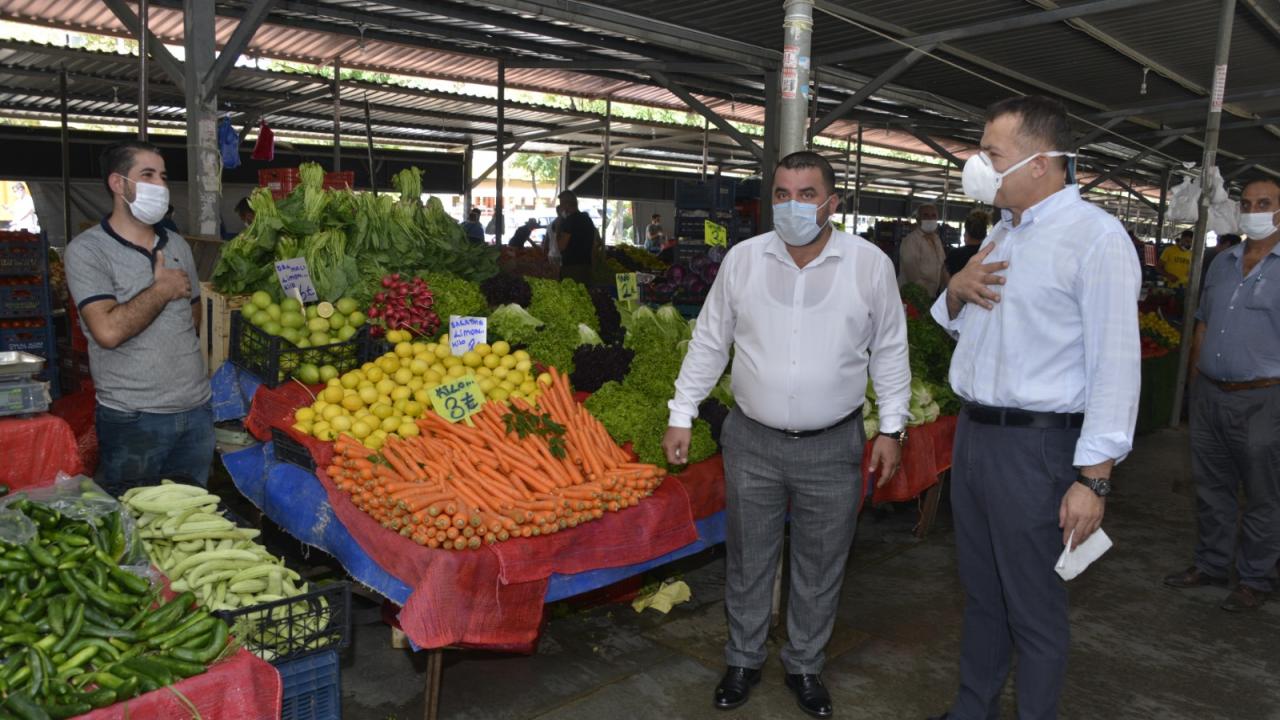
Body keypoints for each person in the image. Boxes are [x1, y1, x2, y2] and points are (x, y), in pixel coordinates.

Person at [662, 151, 910, 719]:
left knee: (822, 563)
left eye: (805, 194)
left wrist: (892, 427)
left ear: (832, 203)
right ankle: (743, 659)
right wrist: (682, 410)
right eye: (780, 194)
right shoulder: (743, 261)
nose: (791, 205)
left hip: (833, 443)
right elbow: (709, 341)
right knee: (749, 557)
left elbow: (890, 350)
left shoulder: (869, 265)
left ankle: (804, 664)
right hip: (751, 441)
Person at [926, 96, 1140, 720]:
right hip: (977, 436)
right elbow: (964, 327)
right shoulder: (1003, 231)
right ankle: (973, 707)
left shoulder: (1094, 240)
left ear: (1043, 164)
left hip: (1037, 448)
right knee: (983, 592)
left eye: (992, 154)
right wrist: (956, 291)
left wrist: (1093, 479)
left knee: (1033, 606)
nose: (979, 165)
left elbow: (1116, 365)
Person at [63, 141, 213, 494]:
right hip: (133, 417)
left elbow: (193, 315)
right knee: (137, 522)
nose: (159, 185)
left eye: (162, 176)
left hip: (196, 411)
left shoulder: (176, 244)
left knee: (192, 522)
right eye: (146, 175)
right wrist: (160, 291)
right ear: (118, 184)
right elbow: (108, 331)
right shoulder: (87, 251)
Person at [1163, 178, 1280, 612]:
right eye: (1247, 203)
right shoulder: (1222, 263)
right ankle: (1211, 564)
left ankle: (1255, 577)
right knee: (1212, 488)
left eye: (1264, 203)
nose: (1253, 211)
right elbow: (1203, 325)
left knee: (1264, 494)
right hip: (1211, 394)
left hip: (1264, 397)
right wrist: (1194, 387)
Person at [898, 203, 949, 297]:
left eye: (933, 216)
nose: (930, 218)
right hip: (914, 296)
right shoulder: (911, 241)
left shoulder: (936, 239)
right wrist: (923, 297)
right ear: (918, 219)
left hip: (932, 295)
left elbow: (942, 266)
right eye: (926, 215)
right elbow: (912, 274)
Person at [555, 190, 597, 285]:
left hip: (571, 267)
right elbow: (594, 244)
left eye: (561, 204)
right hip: (586, 266)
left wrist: (558, 229)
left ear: (566, 204)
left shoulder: (569, 221)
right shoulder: (587, 219)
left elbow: (561, 246)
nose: (561, 207)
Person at [945, 210, 989, 277]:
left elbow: (947, 281)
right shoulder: (988, 255)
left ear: (966, 233)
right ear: (985, 234)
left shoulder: (954, 255)